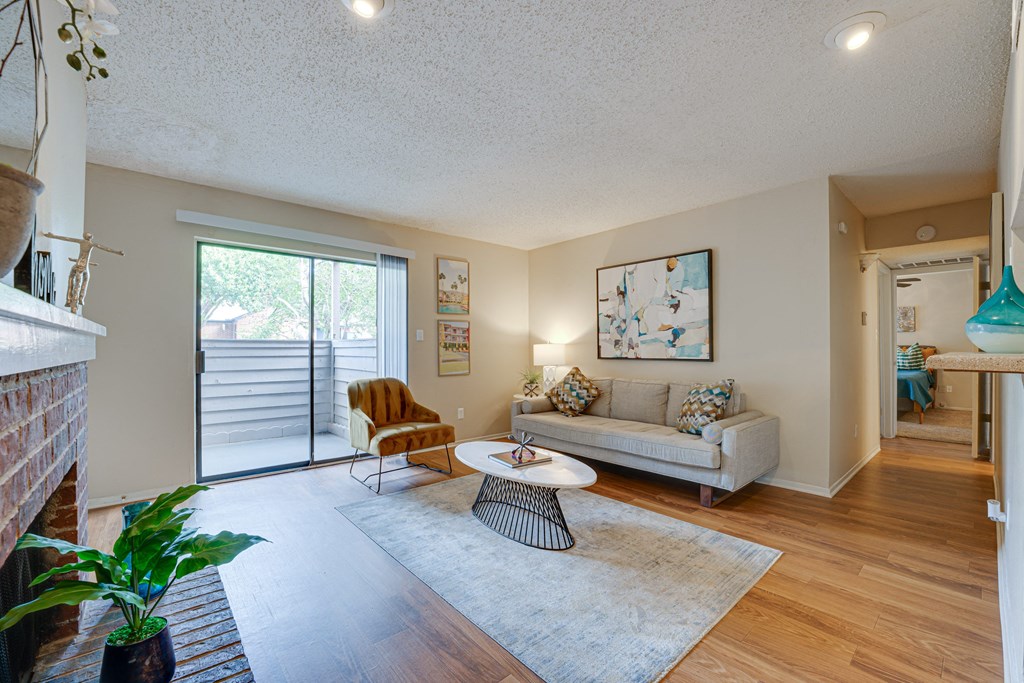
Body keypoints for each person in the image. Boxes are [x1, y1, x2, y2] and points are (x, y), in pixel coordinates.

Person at [41, 231, 124, 313]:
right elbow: (105, 248)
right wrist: (117, 252)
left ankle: (69, 300)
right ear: (90, 238)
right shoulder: (91, 244)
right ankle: (79, 300)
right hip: (83, 267)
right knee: (82, 282)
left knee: (71, 279)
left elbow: (67, 239)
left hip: (77, 265)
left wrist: (52, 236)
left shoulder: (81, 241)